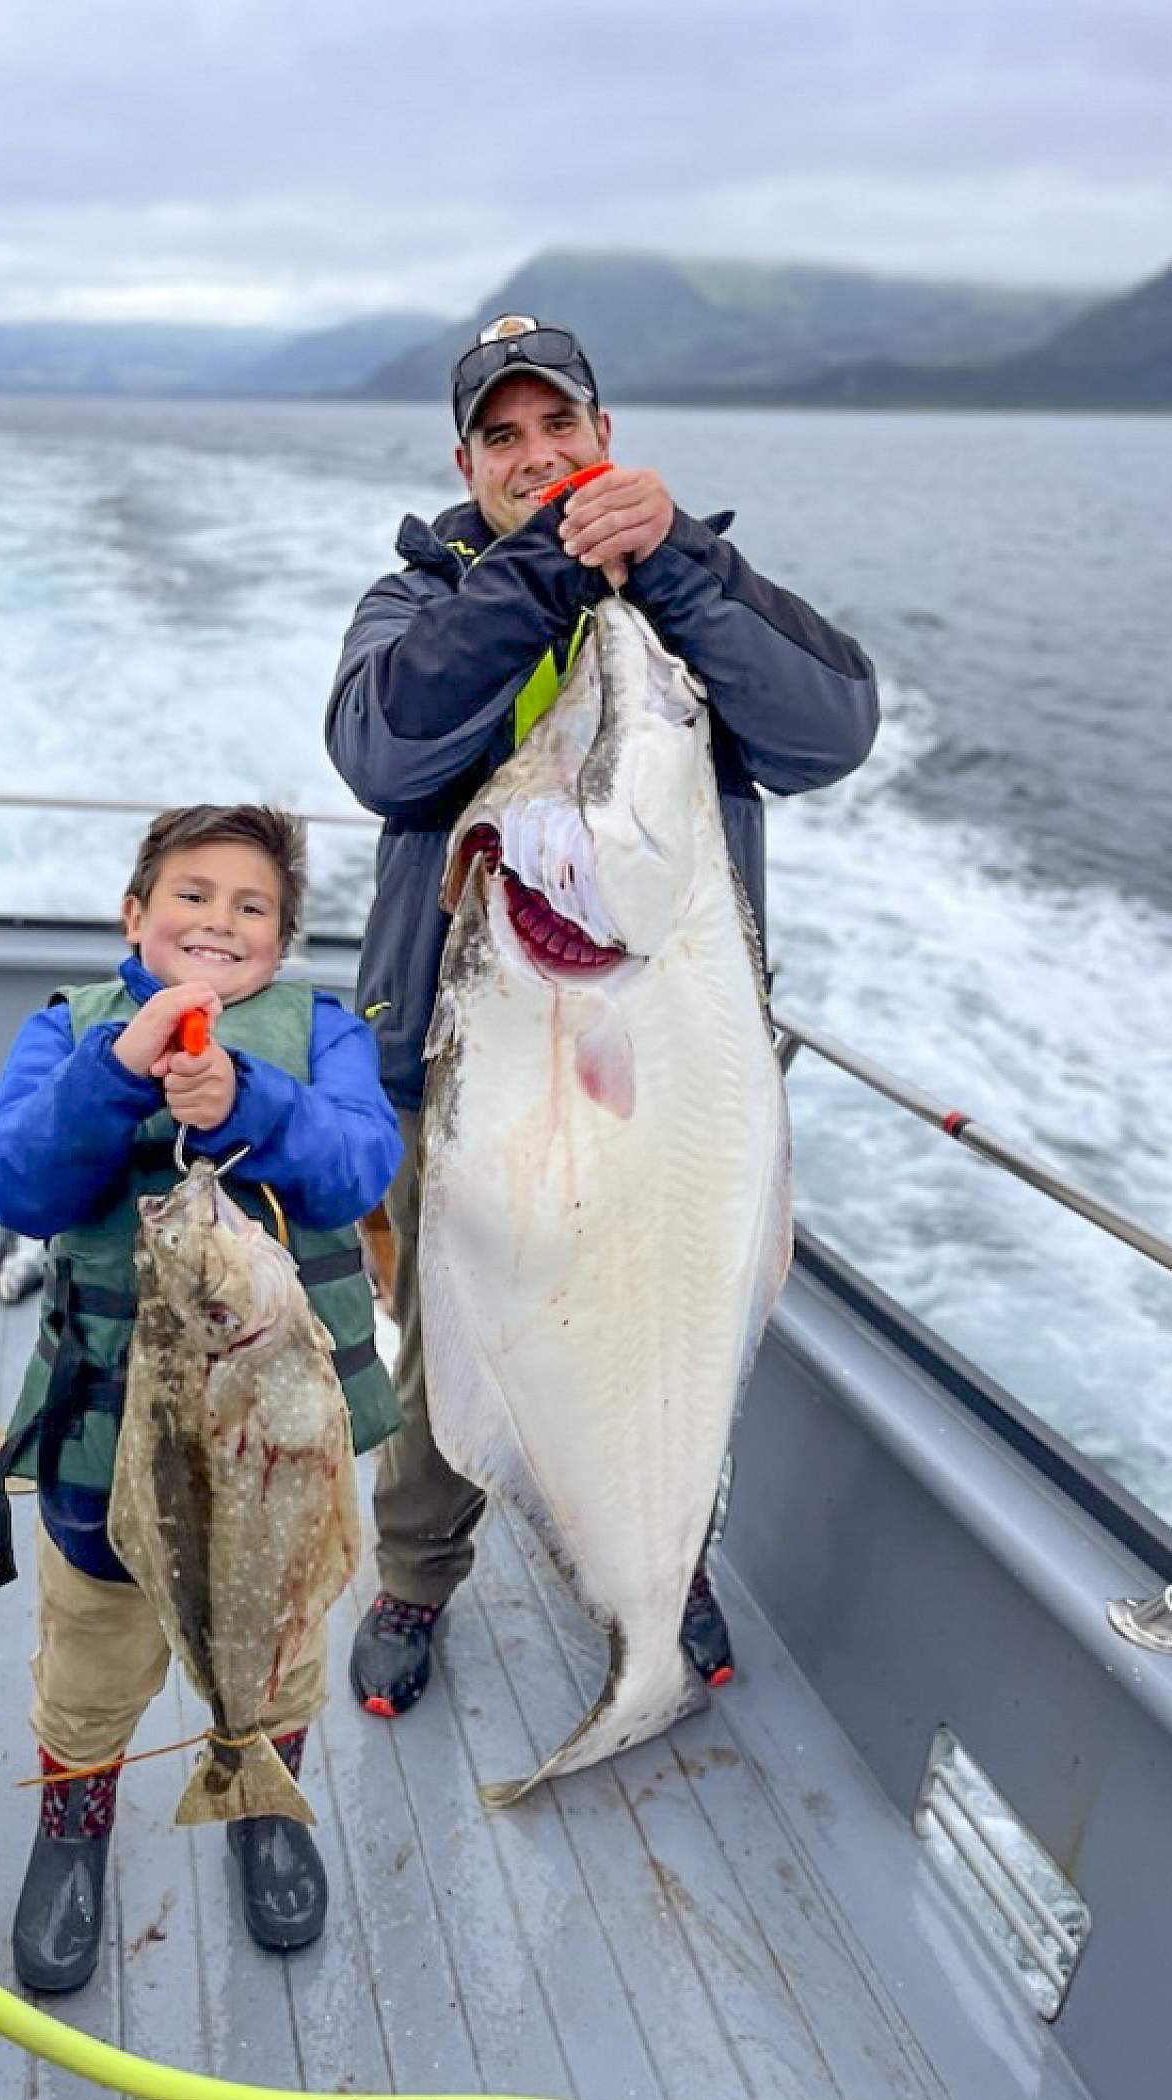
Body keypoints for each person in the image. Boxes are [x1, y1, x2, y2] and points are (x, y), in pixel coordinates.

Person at [325, 315, 880, 1718]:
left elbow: (829, 731)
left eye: (557, 426)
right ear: (466, 463)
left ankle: (660, 1567)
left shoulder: (703, 590)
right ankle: (416, 1574)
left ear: (603, 434)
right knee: (454, 1335)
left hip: (673, 1069)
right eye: (502, 437)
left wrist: (675, 562)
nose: (535, 455)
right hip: (467, 1064)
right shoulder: (416, 603)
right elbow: (384, 750)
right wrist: (545, 568)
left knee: (673, 1324)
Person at [0, 804, 402, 1986]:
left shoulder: (319, 1032)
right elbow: (10, 1183)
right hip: (107, 1436)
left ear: (283, 938)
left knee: (279, 1625)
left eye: (252, 906)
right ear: (134, 916)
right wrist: (117, 1075)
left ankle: (259, 1787)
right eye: (191, 895)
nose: (219, 920)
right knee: (92, 1647)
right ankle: (75, 1826)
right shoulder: (69, 1031)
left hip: (277, 1444)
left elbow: (361, 1166)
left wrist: (250, 1102)